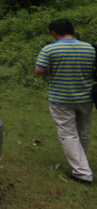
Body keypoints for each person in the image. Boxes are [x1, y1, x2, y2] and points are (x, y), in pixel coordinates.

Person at [35, 18, 94, 185]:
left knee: (68, 134)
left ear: (54, 33)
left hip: (61, 99)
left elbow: (39, 70)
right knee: (84, 132)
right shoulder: (90, 48)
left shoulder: (49, 49)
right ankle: (82, 163)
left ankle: (82, 173)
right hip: (86, 98)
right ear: (74, 31)